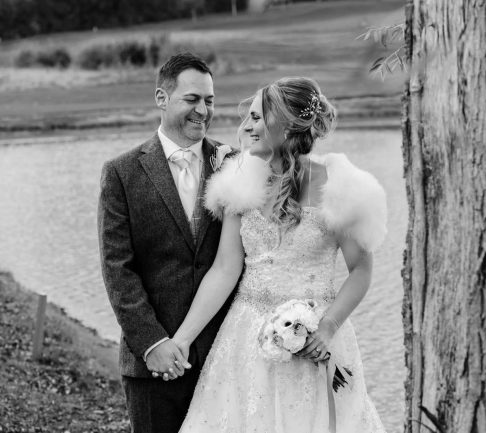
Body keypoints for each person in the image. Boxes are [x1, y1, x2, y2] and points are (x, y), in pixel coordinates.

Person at [171, 76, 387, 432]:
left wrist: (327, 328)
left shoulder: (341, 187)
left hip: (316, 339)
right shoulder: (239, 182)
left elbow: (361, 271)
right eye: (248, 117)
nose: (246, 126)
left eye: (257, 117)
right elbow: (225, 270)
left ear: (285, 122)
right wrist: (182, 338)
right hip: (245, 339)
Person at [97, 53, 236, 433]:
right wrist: (152, 343)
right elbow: (117, 269)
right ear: (162, 98)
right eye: (192, 99)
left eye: (209, 100)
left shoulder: (234, 164)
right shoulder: (121, 172)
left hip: (225, 357)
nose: (203, 111)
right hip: (152, 366)